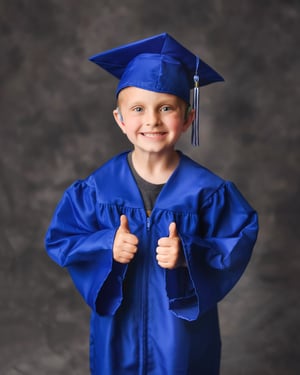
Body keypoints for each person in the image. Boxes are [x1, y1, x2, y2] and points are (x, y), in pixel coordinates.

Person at [45, 33, 258, 375]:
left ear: (188, 118)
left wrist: (189, 253)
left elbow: (238, 240)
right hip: (117, 333)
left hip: (181, 337)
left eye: (166, 108)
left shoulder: (208, 193)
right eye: (139, 109)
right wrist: (106, 245)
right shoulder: (96, 190)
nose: (152, 121)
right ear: (120, 119)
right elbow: (61, 240)